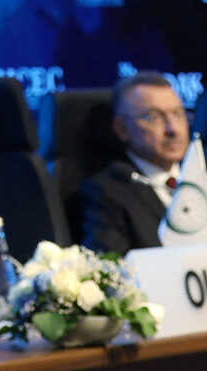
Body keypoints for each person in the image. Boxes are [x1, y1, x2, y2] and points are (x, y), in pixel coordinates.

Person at [75, 73, 190, 254]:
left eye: (177, 114)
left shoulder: (203, 178)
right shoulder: (106, 193)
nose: (172, 129)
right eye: (154, 117)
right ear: (122, 128)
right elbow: (109, 263)